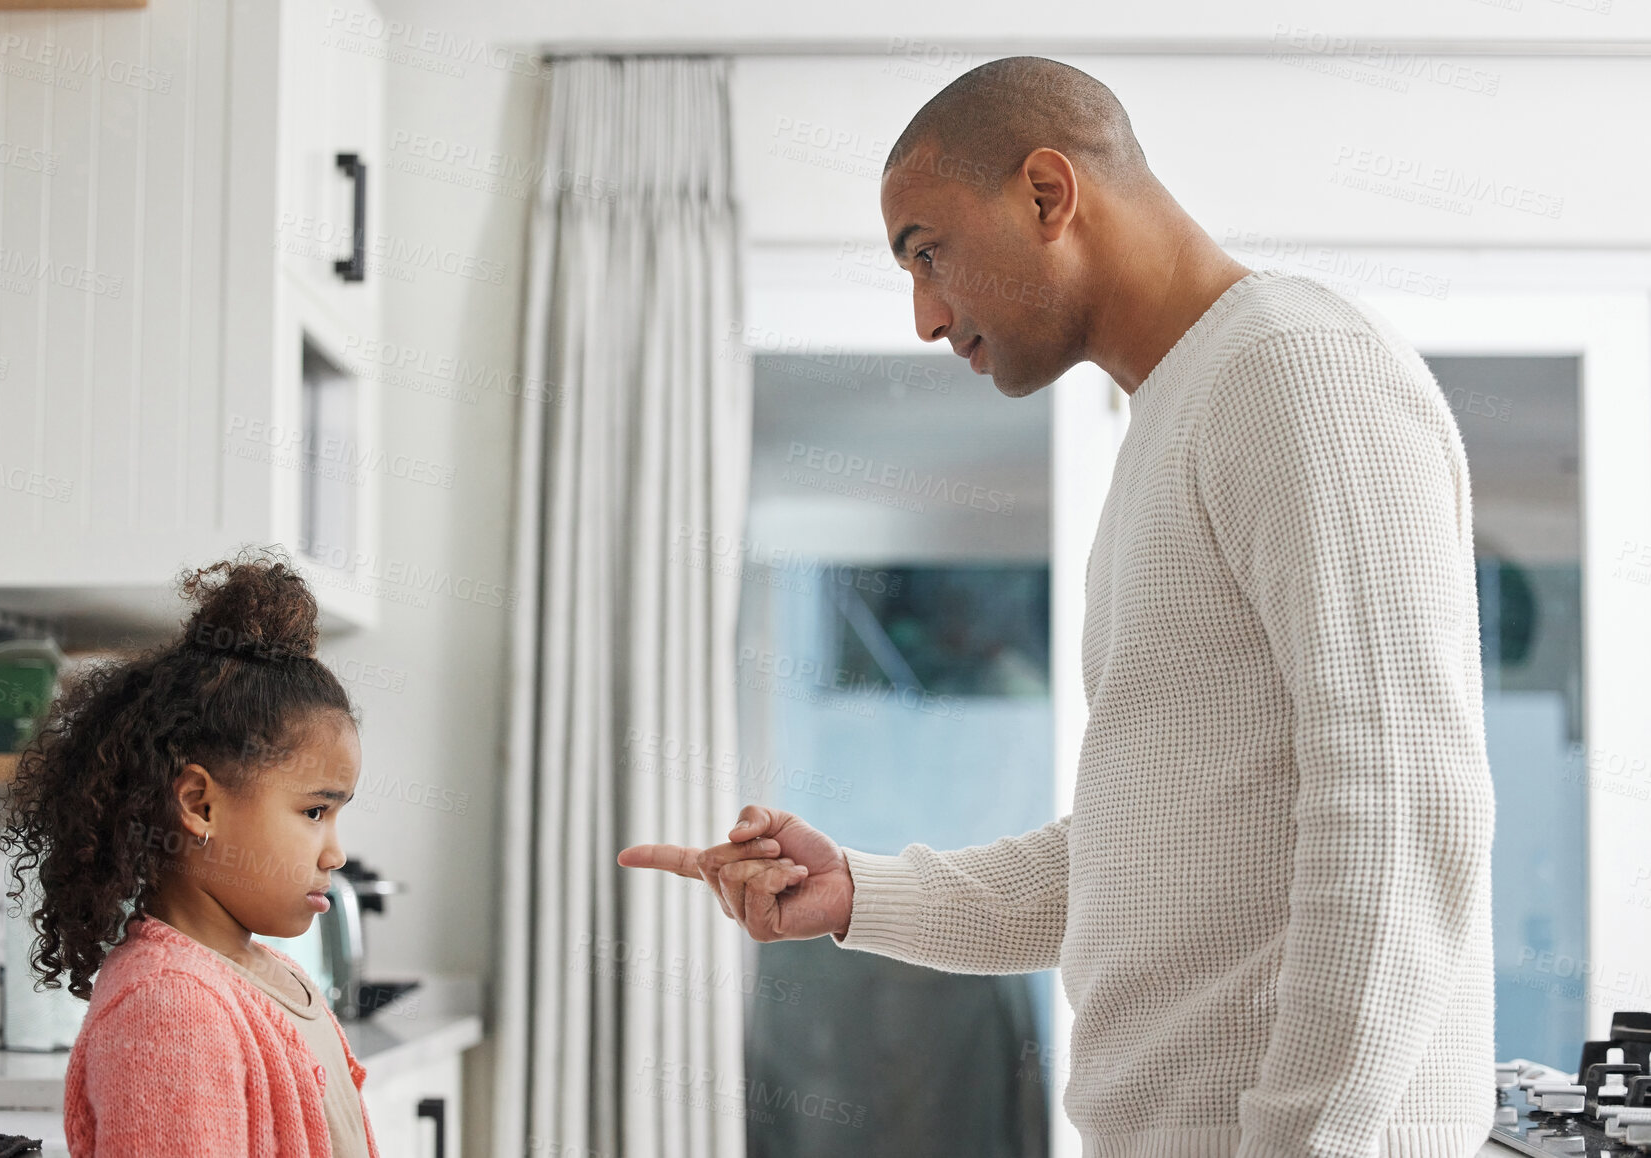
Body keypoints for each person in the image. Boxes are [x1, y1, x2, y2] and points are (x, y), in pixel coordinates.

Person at [618, 55, 1496, 1158]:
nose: (925, 318)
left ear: (1046, 194)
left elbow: (1406, 807)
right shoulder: (1181, 412)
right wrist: (856, 895)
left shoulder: (1291, 370)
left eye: (926, 252)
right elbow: (1137, 855)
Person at [0, 550, 379, 1158]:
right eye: (314, 812)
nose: (334, 853)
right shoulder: (169, 1006)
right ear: (200, 805)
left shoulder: (276, 978)